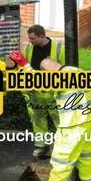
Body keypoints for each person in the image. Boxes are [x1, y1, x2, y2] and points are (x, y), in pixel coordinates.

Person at [9, 52, 91, 181]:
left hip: (73, 125)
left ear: (47, 72)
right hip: (90, 121)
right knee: (85, 155)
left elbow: (34, 81)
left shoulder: (56, 79)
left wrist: (24, 65)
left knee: (61, 160)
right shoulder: (77, 71)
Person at [22, 25, 65, 158]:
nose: (30, 41)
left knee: (60, 122)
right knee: (38, 120)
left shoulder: (59, 49)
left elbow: (66, 71)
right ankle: (42, 146)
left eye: (33, 38)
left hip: (53, 94)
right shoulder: (29, 48)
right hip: (35, 93)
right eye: (29, 38)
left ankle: (63, 147)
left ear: (42, 36)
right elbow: (24, 67)